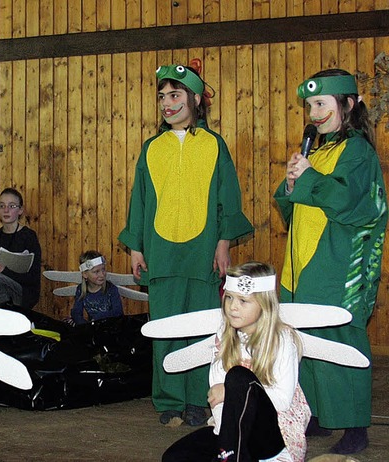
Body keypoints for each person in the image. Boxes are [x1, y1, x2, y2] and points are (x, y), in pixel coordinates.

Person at [118, 64, 253, 427]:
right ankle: (169, 401)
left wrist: (223, 243)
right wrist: (136, 247)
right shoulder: (152, 148)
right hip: (161, 252)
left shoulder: (214, 145)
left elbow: (228, 197)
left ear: (195, 99)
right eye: (162, 97)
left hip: (203, 251)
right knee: (165, 326)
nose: (167, 103)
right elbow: (140, 201)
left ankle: (199, 398)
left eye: (175, 95)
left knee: (203, 327)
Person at [274, 68, 387, 454]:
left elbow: (349, 202)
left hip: (338, 264)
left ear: (348, 104)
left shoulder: (356, 151)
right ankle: (318, 414)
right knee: (305, 340)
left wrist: (306, 179)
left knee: (338, 338)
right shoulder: (318, 151)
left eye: (321, 103)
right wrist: (289, 187)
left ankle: (354, 425)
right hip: (304, 263)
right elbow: (294, 208)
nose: (314, 113)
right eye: (310, 105)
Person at [162, 262, 310, 462]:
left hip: (272, 435)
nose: (232, 306)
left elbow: (282, 401)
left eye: (243, 300)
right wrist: (226, 436)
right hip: (229, 433)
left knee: (239, 377)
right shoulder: (225, 335)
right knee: (173, 458)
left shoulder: (281, 339)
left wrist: (230, 392)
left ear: (264, 304)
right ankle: (230, 454)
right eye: (229, 297)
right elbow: (216, 395)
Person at [68, 250, 123, 325]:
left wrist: (98, 318)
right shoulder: (81, 290)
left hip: (111, 328)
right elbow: (76, 312)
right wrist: (85, 326)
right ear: (85, 274)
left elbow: (118, 312)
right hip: (92, 328)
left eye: (103, 269)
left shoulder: (111, 289)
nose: (102, 274)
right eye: (96, 272)